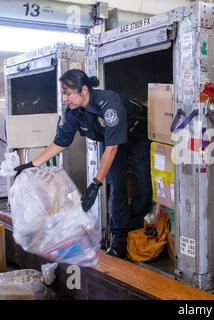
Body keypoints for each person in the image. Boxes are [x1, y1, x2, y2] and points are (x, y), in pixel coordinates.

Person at [14, 69, 152, 258]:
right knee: (117, 185)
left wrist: (95, 184)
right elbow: (60, 142)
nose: (65, 99)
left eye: (68, 94)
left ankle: (134, 226)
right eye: (64, 94)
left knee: (144, 186)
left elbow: (112, 149)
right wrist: (31, 164)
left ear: (84, 90)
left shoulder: (109, 104)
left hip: (137, 138)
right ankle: (120, 238)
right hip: (111, 140)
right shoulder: (72, 112)